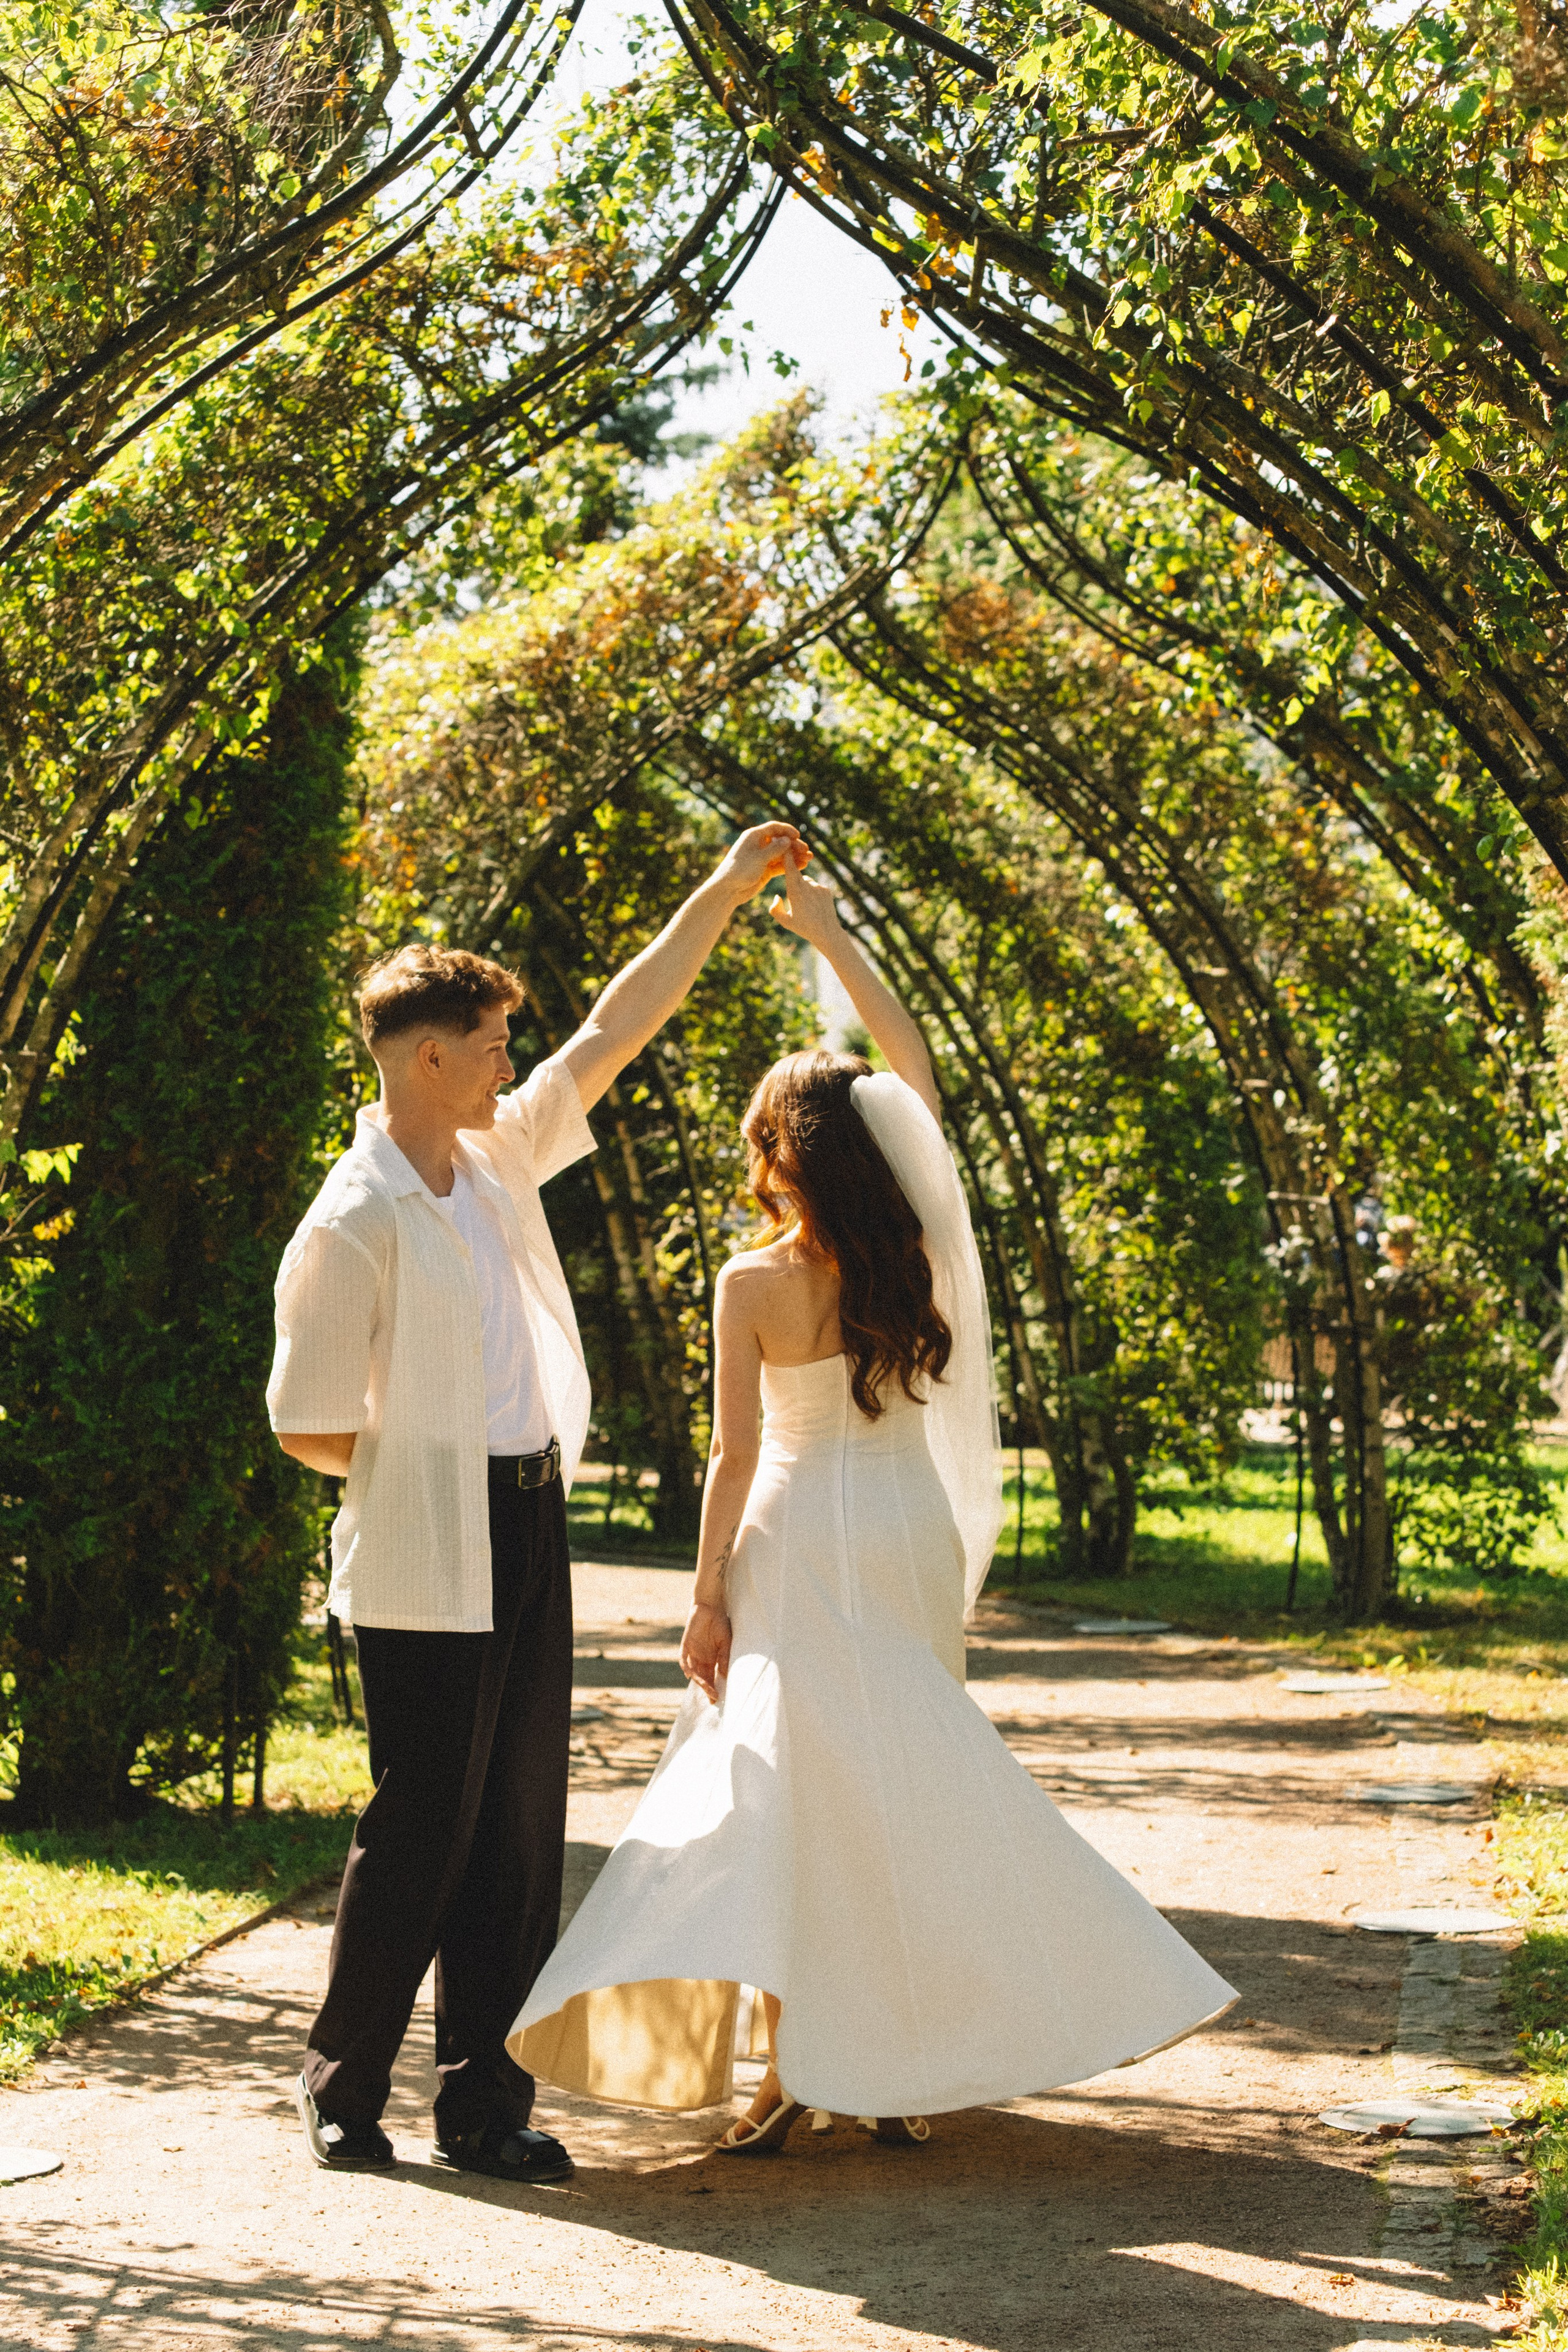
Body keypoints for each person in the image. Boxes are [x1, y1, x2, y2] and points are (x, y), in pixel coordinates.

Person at [510, 849, 1237, 2148]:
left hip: (796, 1537)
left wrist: (706, 1595)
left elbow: (734, 1456)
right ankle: (884, 2069)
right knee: (898, 1797)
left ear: (776, 1153)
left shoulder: (750, 1283)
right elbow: (916, 1072)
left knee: (783, 1808)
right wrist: (833, 934)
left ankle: (799, 2066)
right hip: (908, 1530)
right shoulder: (918, 1248)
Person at [265, 821, 804, 2182]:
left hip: (529, 1517)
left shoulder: (498, 1152)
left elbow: (619, 1027)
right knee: (421, 1825)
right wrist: (424, 1473)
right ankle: (342, 2088)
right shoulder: (352, 1219)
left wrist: (724, 888)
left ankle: (484, 2109)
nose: (514, 1063)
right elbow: (306, 1423)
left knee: (514, 1830)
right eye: (494, 1043)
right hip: (421, 1539)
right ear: (428, 1057)